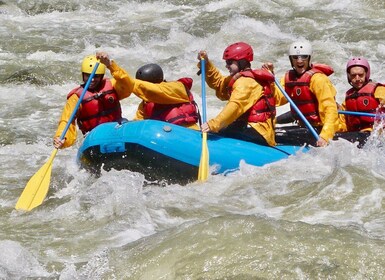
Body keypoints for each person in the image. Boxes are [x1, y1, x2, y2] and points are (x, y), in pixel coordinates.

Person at [197, 42, 278, 146]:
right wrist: (206, 64)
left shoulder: (246, 83)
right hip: (247, 126)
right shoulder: (238, 78)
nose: (226, 65)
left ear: (242, 62)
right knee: (223, 130)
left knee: (220, 131)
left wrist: (213, 124)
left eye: (230, 62)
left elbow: (235, 106)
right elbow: (219, 84)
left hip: (258, 131)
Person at [263, 41, 339, 147]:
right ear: (291, 60)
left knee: (272, 134)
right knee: (268, 130)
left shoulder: (318, 79)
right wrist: (270, 79)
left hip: (318, 129)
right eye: (295, 57)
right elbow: (277, 99)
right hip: (304, 126)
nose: (299, 61)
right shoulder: (288, 78)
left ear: (309, 58)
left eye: (304, 57)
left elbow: (330, 110)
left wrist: (325, 136)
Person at [97, 53, 200, 130]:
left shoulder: (176, 88)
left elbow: (152, 91)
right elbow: (139, 122)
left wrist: (111, 65)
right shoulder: (145, 104)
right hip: (166, 138)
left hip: (188, 133)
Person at [53, 54, 128, 149]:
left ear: (101, 76)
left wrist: (110, 65)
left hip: (117, 128)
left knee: (125, 122)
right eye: (87, 76)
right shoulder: (76, 97)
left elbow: (128, 85)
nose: (92, 79)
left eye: (96, 76)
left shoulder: (113, 85)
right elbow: (67, 120)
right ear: (83, 75)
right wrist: (62, 138)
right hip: (94, 137)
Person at [339, 57, 385, 132]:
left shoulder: (378, 90)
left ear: (366, 74)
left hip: (375, 135)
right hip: (355, 136)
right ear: (349, 76)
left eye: (360, 75)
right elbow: (343, 124)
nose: (357, 78)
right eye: (353, 75)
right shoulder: (348, 96)